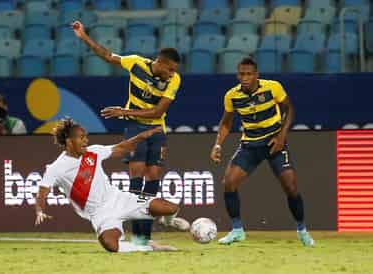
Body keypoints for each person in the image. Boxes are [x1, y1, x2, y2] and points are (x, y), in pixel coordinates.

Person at [72, 21, 189, 246]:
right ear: (160, 63)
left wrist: (123, 111)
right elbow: (108, 56)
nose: (173, 74)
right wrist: (84, 37)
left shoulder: (174, 80)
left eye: (175, 70)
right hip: (135, 127)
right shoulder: (135, 63)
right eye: (170, 69)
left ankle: (145, 237)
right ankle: (134, 236)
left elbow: (158, 110)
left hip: (156, 128)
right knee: (136, 177)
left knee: (153, 176)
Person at [35, 118, 188, 252]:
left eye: (86, 137)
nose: (86, 141)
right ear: (69, 141)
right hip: (100, 214)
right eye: (81, 138)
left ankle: (168, 221)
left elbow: (122, 148)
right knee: (111, 245)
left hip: (120, 199)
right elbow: (42, 192)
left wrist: (142, 136)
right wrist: (40, 210)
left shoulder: (93, 152)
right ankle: (149, 246)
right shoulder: (56, 168)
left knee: (171, 208)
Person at [210, 57, 315, 246]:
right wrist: (218, 145)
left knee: (291, 187)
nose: (245, 78)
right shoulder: (232, 96)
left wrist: (282, 136)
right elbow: (226, 122)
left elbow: (289, 109)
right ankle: (237, 230)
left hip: (274, 143)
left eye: (249, 74)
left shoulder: (273, 87)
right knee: (229, 183)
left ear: (256, 75)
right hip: (250, 145)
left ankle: (302, 231)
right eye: (241, 74)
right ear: (237, 75)